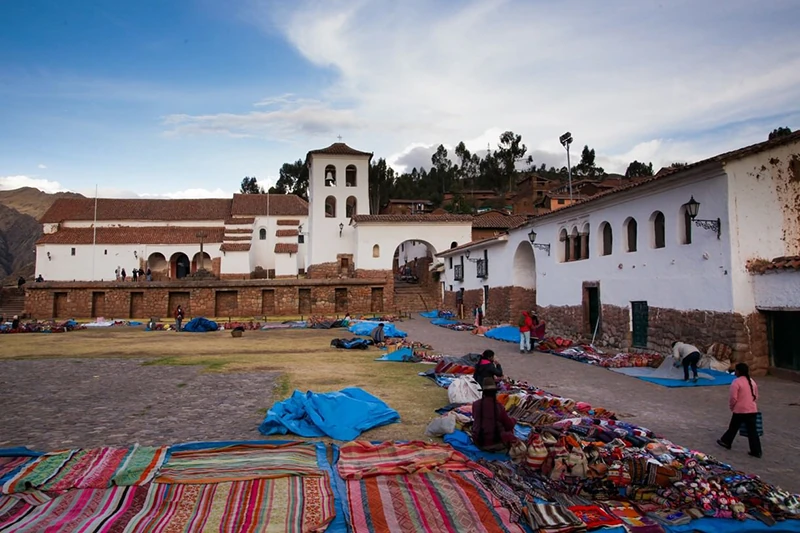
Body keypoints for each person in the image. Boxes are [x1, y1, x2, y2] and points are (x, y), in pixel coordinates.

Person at [717, 363, 762, 458]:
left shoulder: (736, 382)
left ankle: (726, 441)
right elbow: (756, 396)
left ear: (738, 371)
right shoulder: (752, 381)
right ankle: (756, 451)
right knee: (752, 431)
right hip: (752, 410)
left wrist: (732, 407)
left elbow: (733, 398)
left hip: (740, 409)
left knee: (733, 427)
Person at [472, 377, 517, 451]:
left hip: (478, 441)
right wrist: (513, 420)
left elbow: (475, 418)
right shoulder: (498, 406)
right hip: (494, 443)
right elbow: (508, 425)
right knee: (510, 432)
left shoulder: (475, 404)